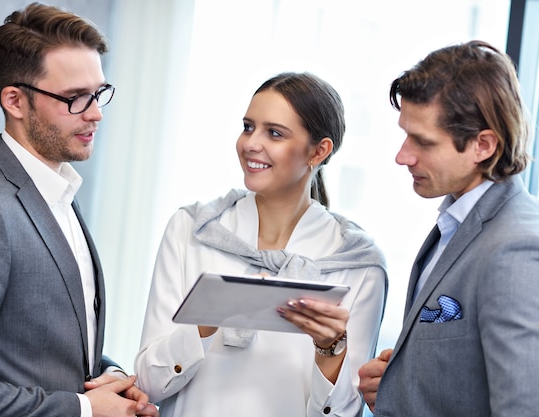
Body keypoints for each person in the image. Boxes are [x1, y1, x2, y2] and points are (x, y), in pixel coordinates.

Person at [0, 3, 157, 417]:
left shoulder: (59, 192)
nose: (96, 113)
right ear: (15, 100)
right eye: (74, 98)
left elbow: (44, 349)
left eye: (98, 93)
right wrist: (83, 409)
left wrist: (109, 379)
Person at [134, 72, 388, 417]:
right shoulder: (190, 229)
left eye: (274, 133)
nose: (251, 143)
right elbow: (148, 383)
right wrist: (208, 318)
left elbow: (341, 414)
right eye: (248, 126)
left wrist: (330, 350)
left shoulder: (357, 263)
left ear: (319, 151)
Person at [357, 40, 539, 416]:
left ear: (483, 145)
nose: (402, 155)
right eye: (405, 134)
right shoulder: (457, 222)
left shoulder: (516, 248)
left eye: (423, 142)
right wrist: (398, 383)